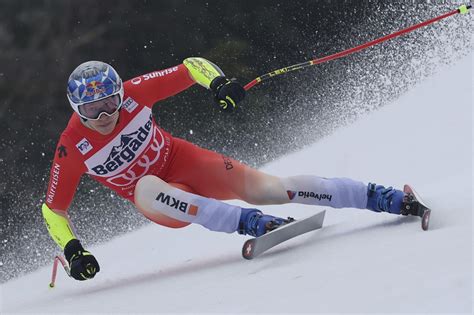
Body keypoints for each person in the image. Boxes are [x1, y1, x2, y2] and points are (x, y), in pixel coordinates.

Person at [43, 59, 423, 281]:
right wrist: (74, 250)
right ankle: (252, 223)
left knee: (271, 187)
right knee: (145, 186)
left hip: (185, 161)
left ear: (120, 94)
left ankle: (382, 197)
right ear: (77, 109)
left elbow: (191, 66)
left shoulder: (134, 92)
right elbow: (53, 209)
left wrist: (218, 83)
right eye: (92, 110)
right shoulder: (70, 147)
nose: (106, 115)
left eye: (110, 102)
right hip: (162, 201)